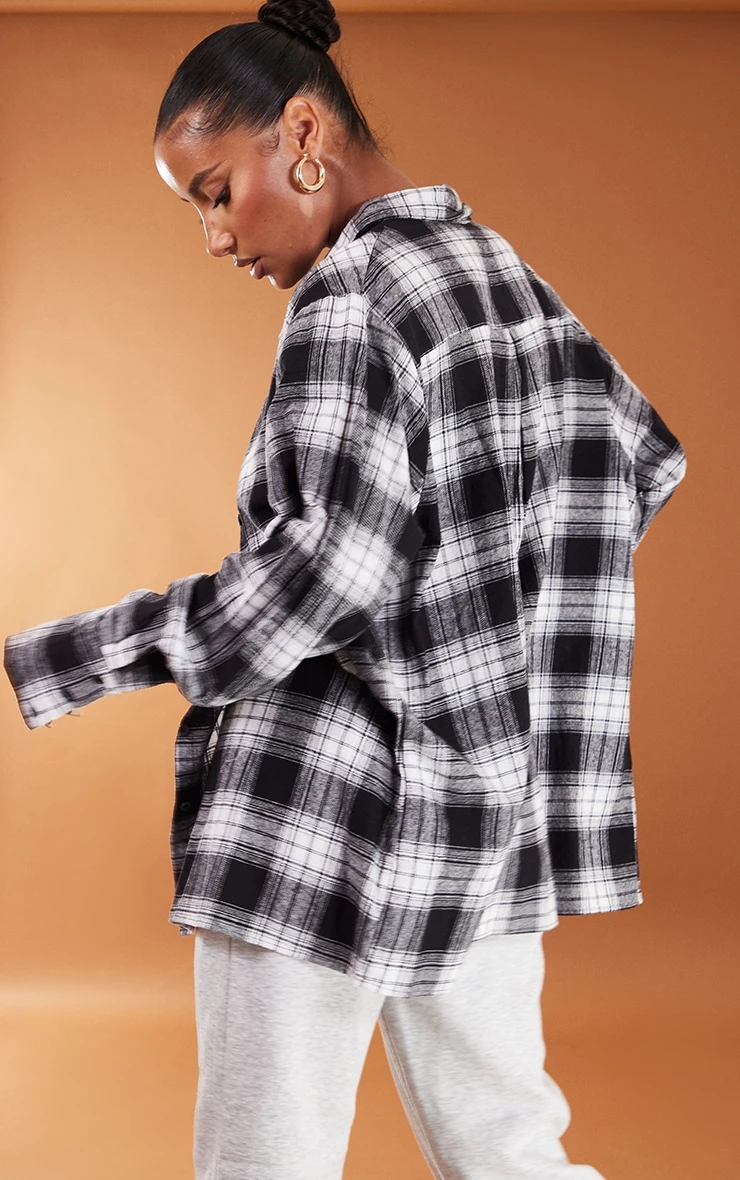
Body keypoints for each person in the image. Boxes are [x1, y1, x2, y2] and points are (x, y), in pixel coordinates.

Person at [3, 3, 688, 1178]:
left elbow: (321, 576)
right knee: (510, 1150)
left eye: (216, 191)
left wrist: (72, 655)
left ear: (303, 132)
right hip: (478, 809)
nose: (214, 236)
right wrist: (480, 653)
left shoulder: (352, 294)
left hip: (315, 812)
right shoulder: (504, 277)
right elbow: (635, 461)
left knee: (263, 1160)